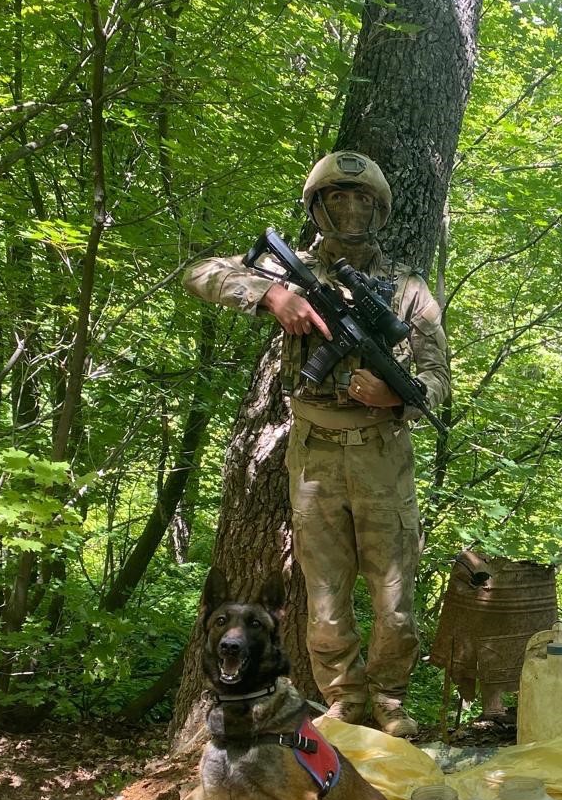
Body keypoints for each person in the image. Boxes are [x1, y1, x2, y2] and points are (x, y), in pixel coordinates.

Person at [185, 151, 450, 737]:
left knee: (394, 597)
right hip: (316, 451)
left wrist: (395, 396)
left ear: (377, 211)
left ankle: (390, 701)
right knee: (325, 595)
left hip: (382, 449)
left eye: (359, 202)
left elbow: (436, 376)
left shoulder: (407, 288)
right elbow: (201, 272)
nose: (348, 212)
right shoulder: (288, 271)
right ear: (318, 209)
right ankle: (344, 702)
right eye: (336, 201)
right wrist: (268, 296)